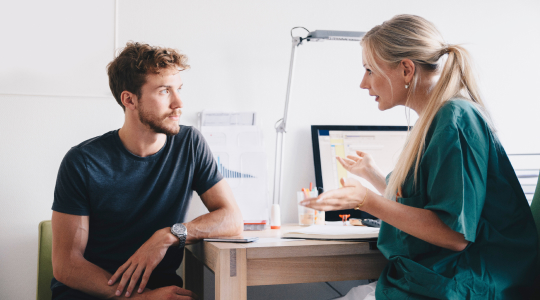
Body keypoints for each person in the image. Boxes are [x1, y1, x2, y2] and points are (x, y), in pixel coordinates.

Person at [301, 15, 538, 299]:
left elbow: (454, 236)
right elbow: (425, 204)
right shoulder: (435, 120)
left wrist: (366, 200)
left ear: (406, 70)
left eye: (369, 70)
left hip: (468, 282)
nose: (363, 84)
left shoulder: (455, 119)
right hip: (444, 277)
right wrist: (374, 176)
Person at [50, 42, 243, 300]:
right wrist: (140, 299)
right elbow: (67, 266)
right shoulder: (83, 161)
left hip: (161, 292)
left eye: (179, 89)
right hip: (93, 293)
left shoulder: (190, 144)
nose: (179, 103)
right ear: (129, 99)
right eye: (164, 91)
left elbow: (232, 219)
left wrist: (168, 235)